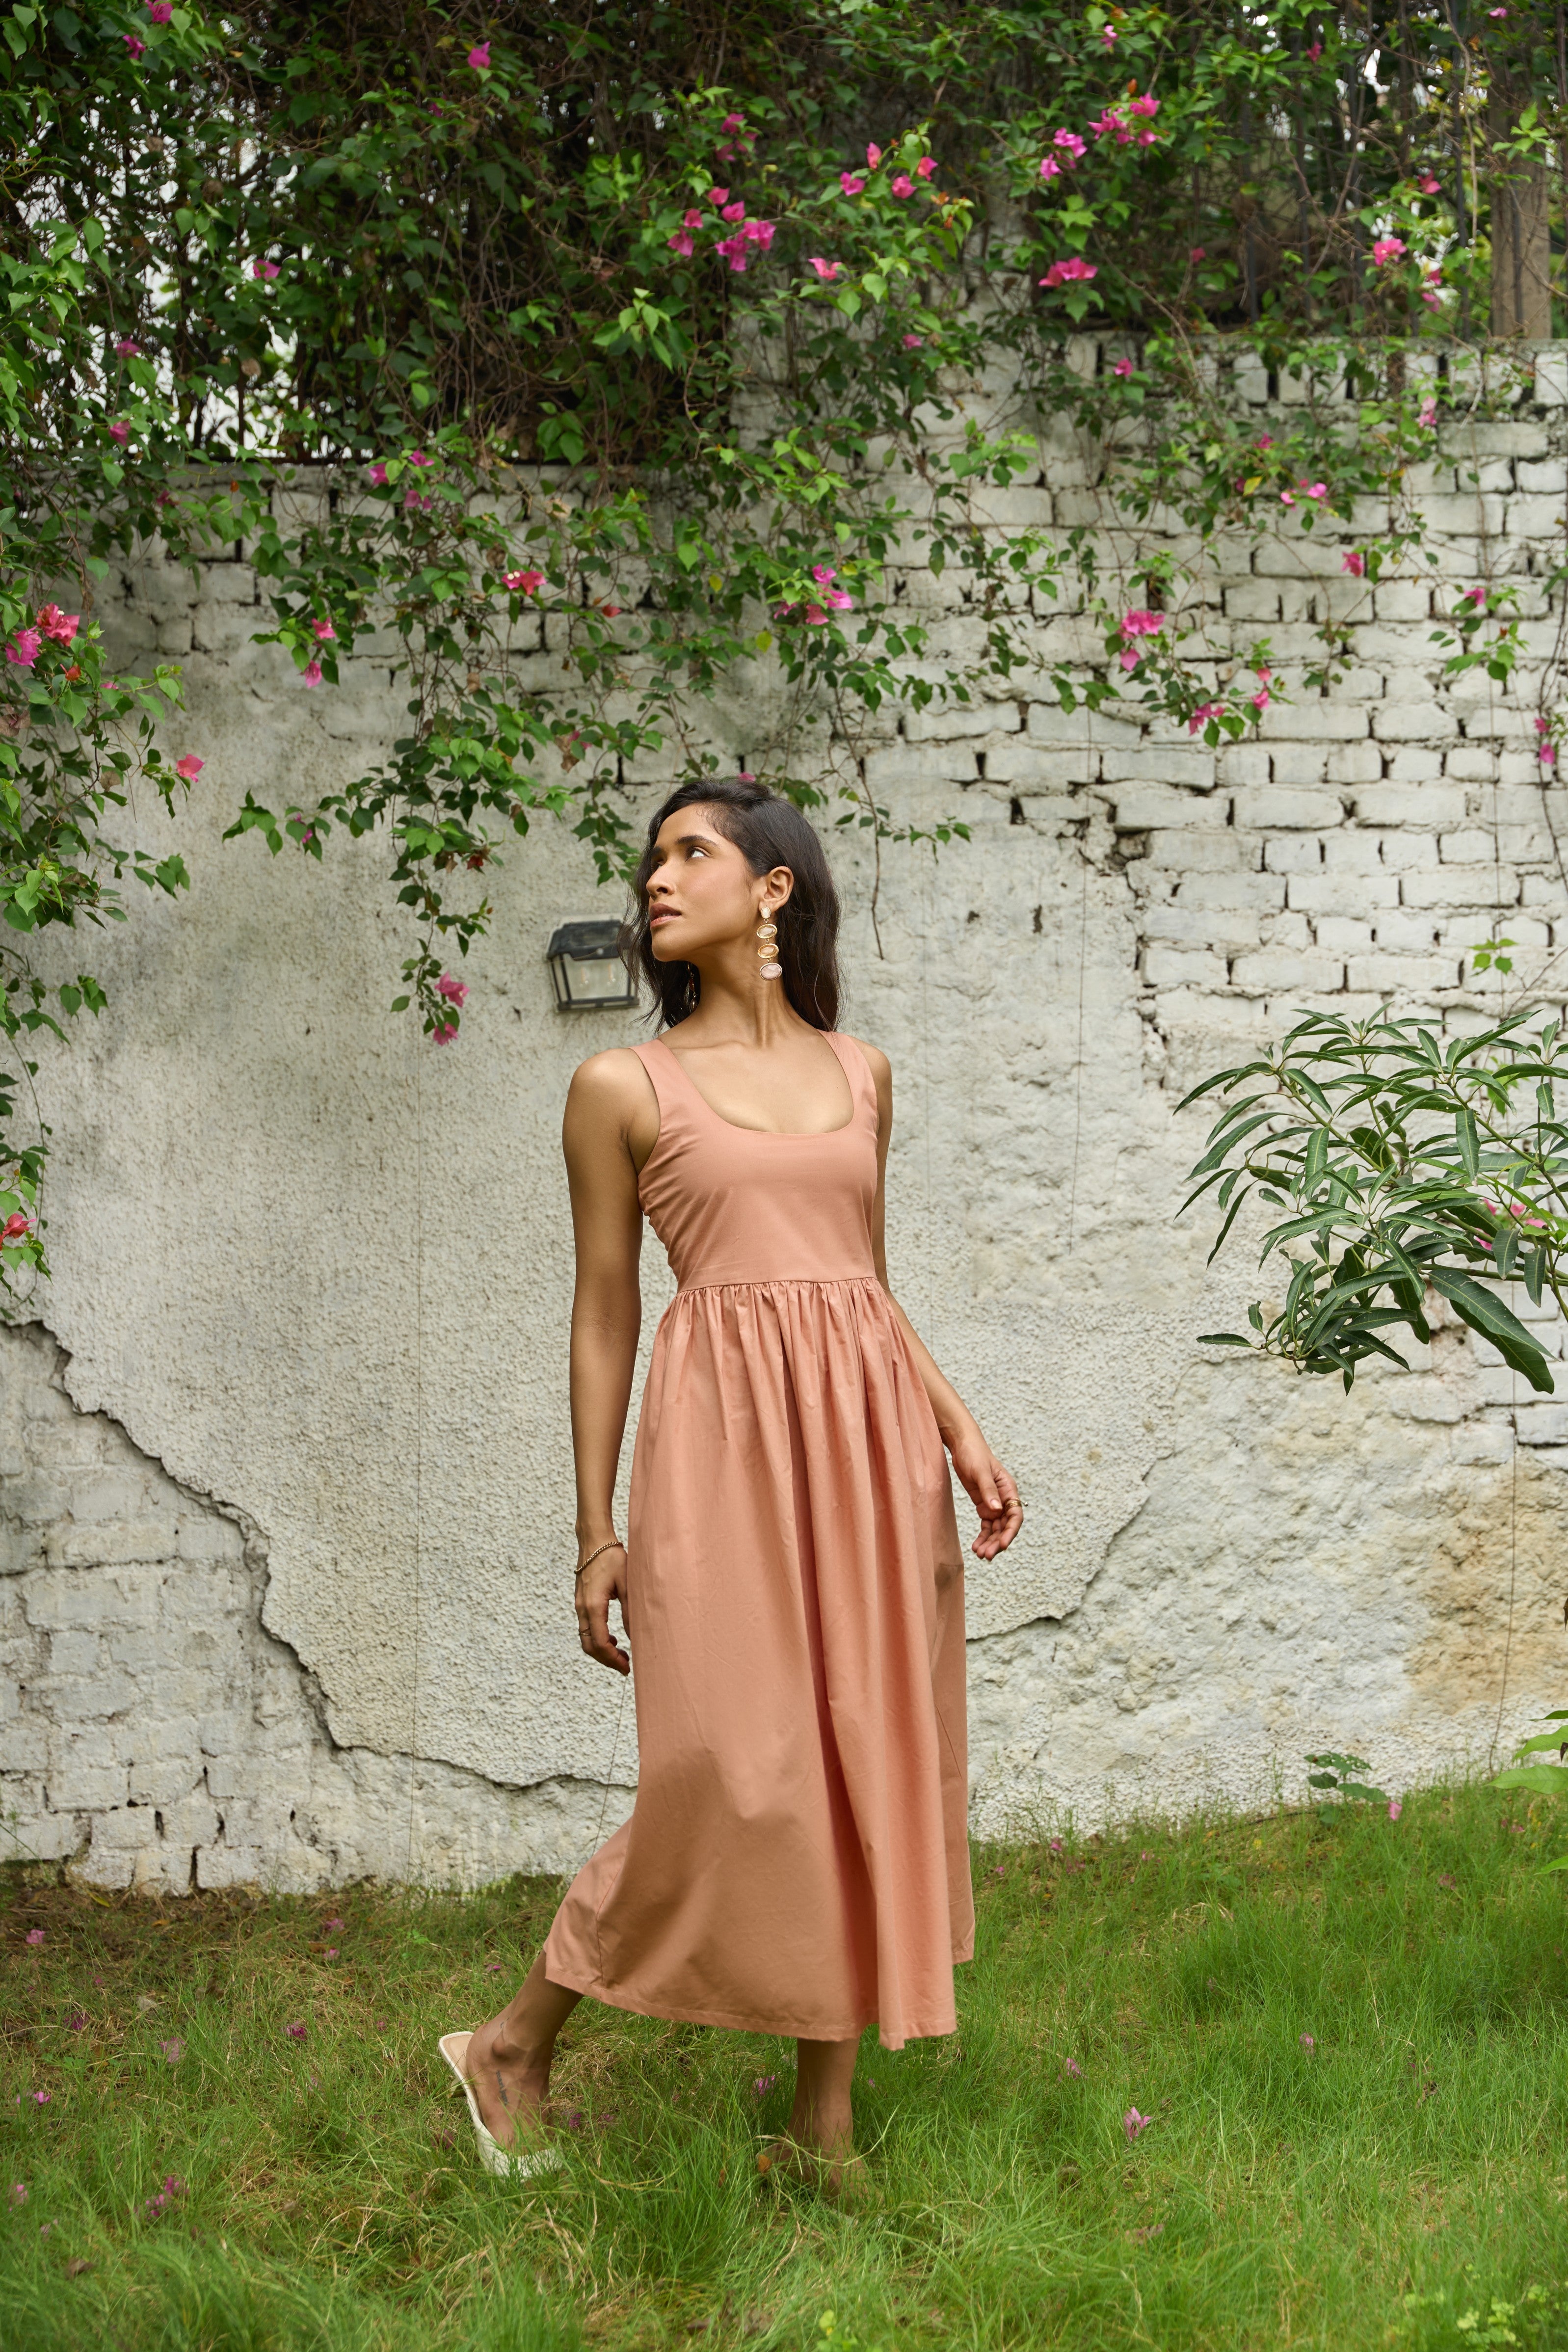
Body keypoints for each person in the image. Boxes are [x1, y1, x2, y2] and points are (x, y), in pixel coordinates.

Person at [446, 777, 1022, 2194]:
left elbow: (862, 1285)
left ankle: (820, 2130)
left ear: (773, 888)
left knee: (861, 1755)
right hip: (721, 1457)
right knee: (721, 1772)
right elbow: (603, 1311)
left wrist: (955, 1424)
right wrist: (596, 1530)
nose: (656, 877)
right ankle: (509, 2045)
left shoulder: (863, 1074)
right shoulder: (621, 1088)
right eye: (651, 859)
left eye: (690, 851)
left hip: (873, 1453)